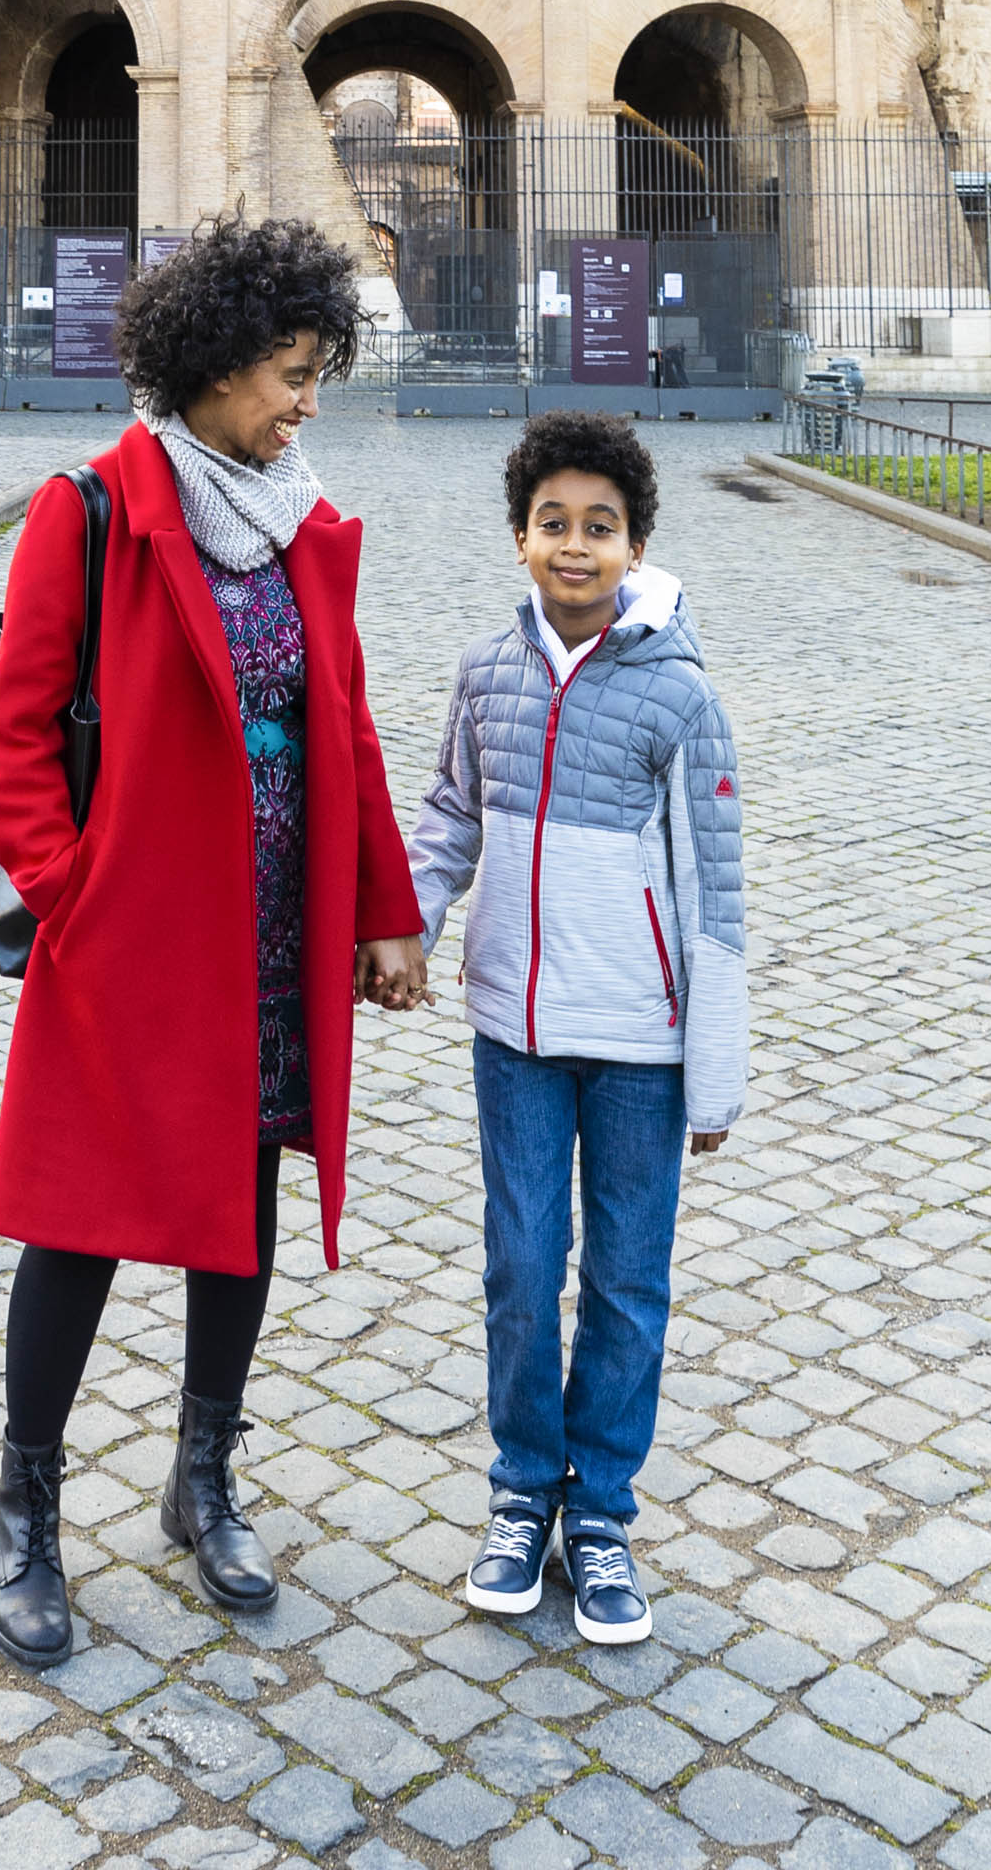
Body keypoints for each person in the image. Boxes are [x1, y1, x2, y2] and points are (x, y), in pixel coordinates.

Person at [0, 215, 428, 1667]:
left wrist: (381, 908)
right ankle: (25, 1507)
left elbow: (343, 724)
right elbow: (18, 733)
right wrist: (70, 895)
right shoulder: (93, 505)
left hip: (275, 928)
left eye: (314, 373)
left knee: (237, 1206)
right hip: (134, 937)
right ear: (219, 364)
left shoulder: (294, 509)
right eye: (292, 372)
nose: (308, 401)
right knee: (80, 1222)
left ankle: (203, 1475)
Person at [408, 412, 745, 1650]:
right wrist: (410, 923)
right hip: (516, 1030)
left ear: (637, 545)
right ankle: (518, 1495)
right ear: (518, 538)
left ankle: (599, 1512)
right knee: (517, 1264)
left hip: (644, 1045)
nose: (576, 545)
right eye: (554, 523)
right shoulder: (486, 673)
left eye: (600, 527)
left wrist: (714, 1067)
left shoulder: (681, 696)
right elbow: (451, 810)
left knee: (625, 1281)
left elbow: (717, 887)